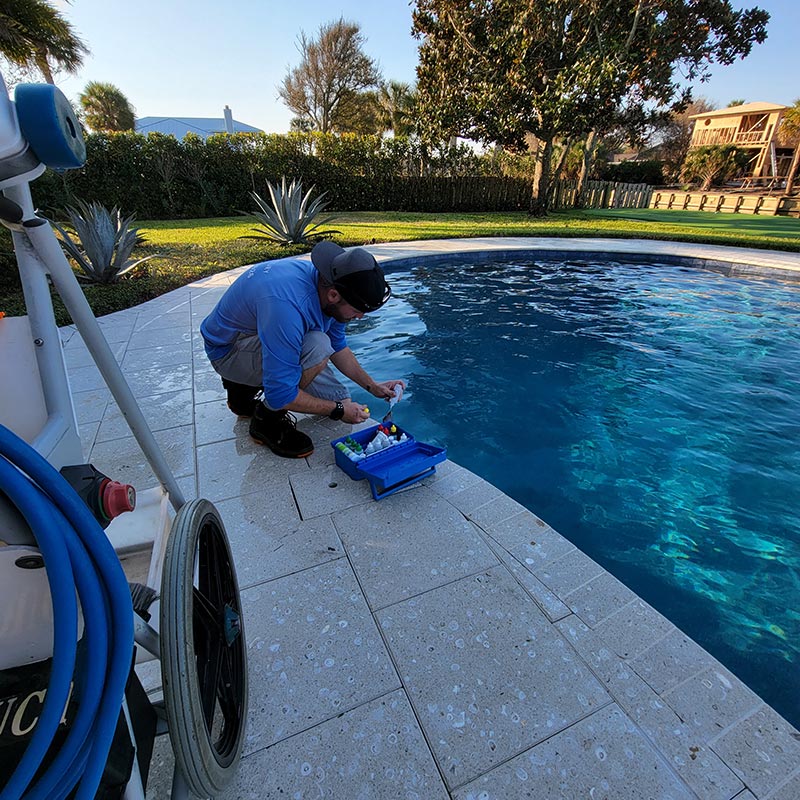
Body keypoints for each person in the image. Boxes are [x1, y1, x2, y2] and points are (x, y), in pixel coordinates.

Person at [200, 240, 405, 458]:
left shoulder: (330, 284)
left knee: (340, 393)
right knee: (317, 346)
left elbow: (338, 347)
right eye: (357, 310)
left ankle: (242, 388)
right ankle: (266, 420)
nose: (360, 317)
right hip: (228, 352)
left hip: (249, 337)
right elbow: (282, 394)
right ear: (334, 295)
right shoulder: (287, 307)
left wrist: (372, 386)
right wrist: (336, 410)